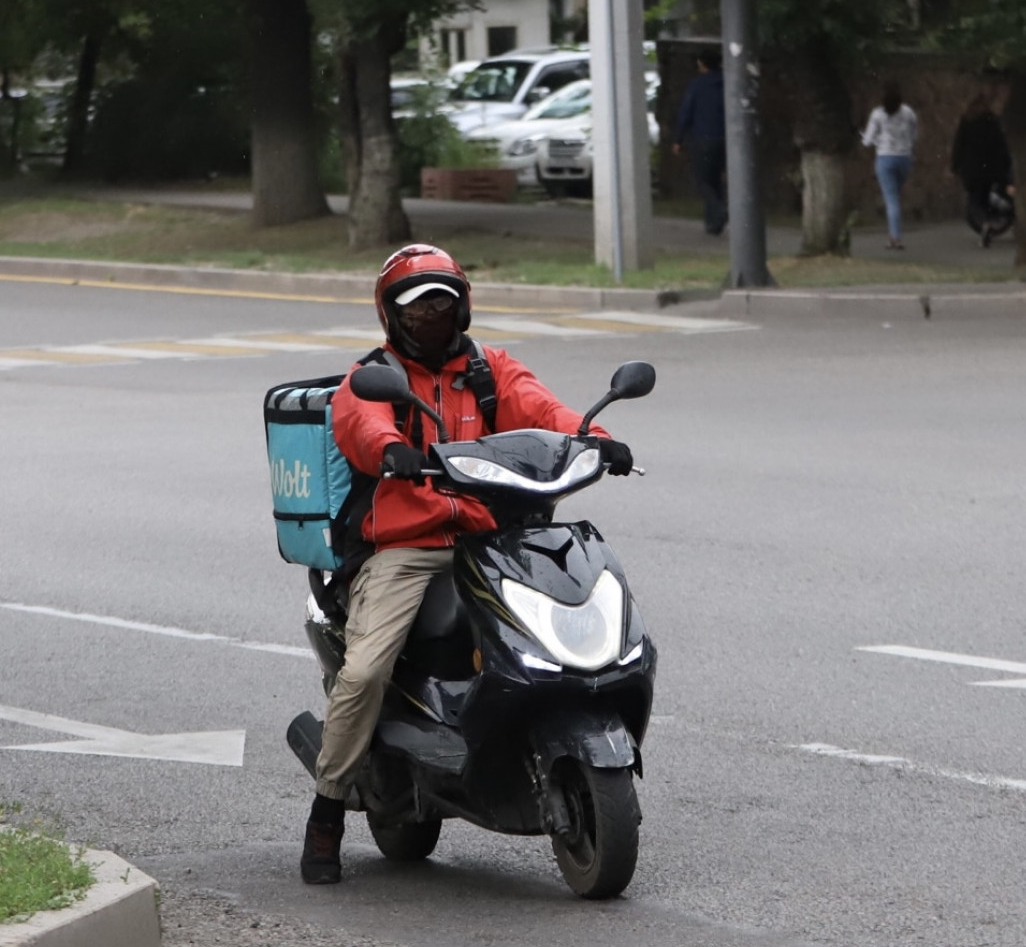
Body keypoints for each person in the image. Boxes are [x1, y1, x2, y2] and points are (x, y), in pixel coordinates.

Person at [301, 245, 633, 885]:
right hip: (409, 549)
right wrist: (393, 449)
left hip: (493, 539)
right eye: (417, 304)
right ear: (391, 316)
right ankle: (327, 811)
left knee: (568, 622)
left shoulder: (490, 371)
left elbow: (542, 410)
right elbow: (361, 427)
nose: (432, 312)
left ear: (464, 306)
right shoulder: (370, 378)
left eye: (442, 300)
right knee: (367, 670)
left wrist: (591, 438)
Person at [673, 51, 728, 235]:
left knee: (702, 181)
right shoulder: (726, 83)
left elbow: (686, 113)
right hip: (725, 138)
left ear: (702, 64)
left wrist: (678, 139)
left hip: (703, 137)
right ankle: (713, 224)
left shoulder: (697, 85)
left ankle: (719, 209)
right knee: (716, 179)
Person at [949, 93, 1014, 247]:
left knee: (974, 200)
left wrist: (955, 166)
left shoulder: (967, 121)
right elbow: (1001, 145)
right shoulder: (992, 121)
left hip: (971, 168)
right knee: (985, 197)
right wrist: (1005, 166)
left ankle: (986, 224)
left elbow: (959, 145)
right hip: (991, 168)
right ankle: (989, 223)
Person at [860, 84, 918, 250]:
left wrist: (865, 137)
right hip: (905, 158)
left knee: (891, 199)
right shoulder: (908, 113)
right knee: (895, 197)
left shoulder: (878, 114)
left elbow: (867, 141)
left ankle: (895, 238)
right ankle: (895, 232)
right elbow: (914, 134)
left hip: (885, 158)